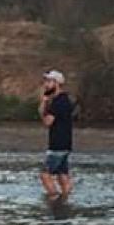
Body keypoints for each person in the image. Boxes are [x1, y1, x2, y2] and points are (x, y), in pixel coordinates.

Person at [38, 70, 74, 200]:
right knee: (62, 174)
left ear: (57, 83)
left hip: (57, 144)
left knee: (45, 174)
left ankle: (54, 199)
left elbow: (47, 122)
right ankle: (65, 199)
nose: (46, 85)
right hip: (66, 143)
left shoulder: (58, 102)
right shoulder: (65, 99)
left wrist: (44, 103)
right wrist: (44, 102)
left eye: (49, 82)